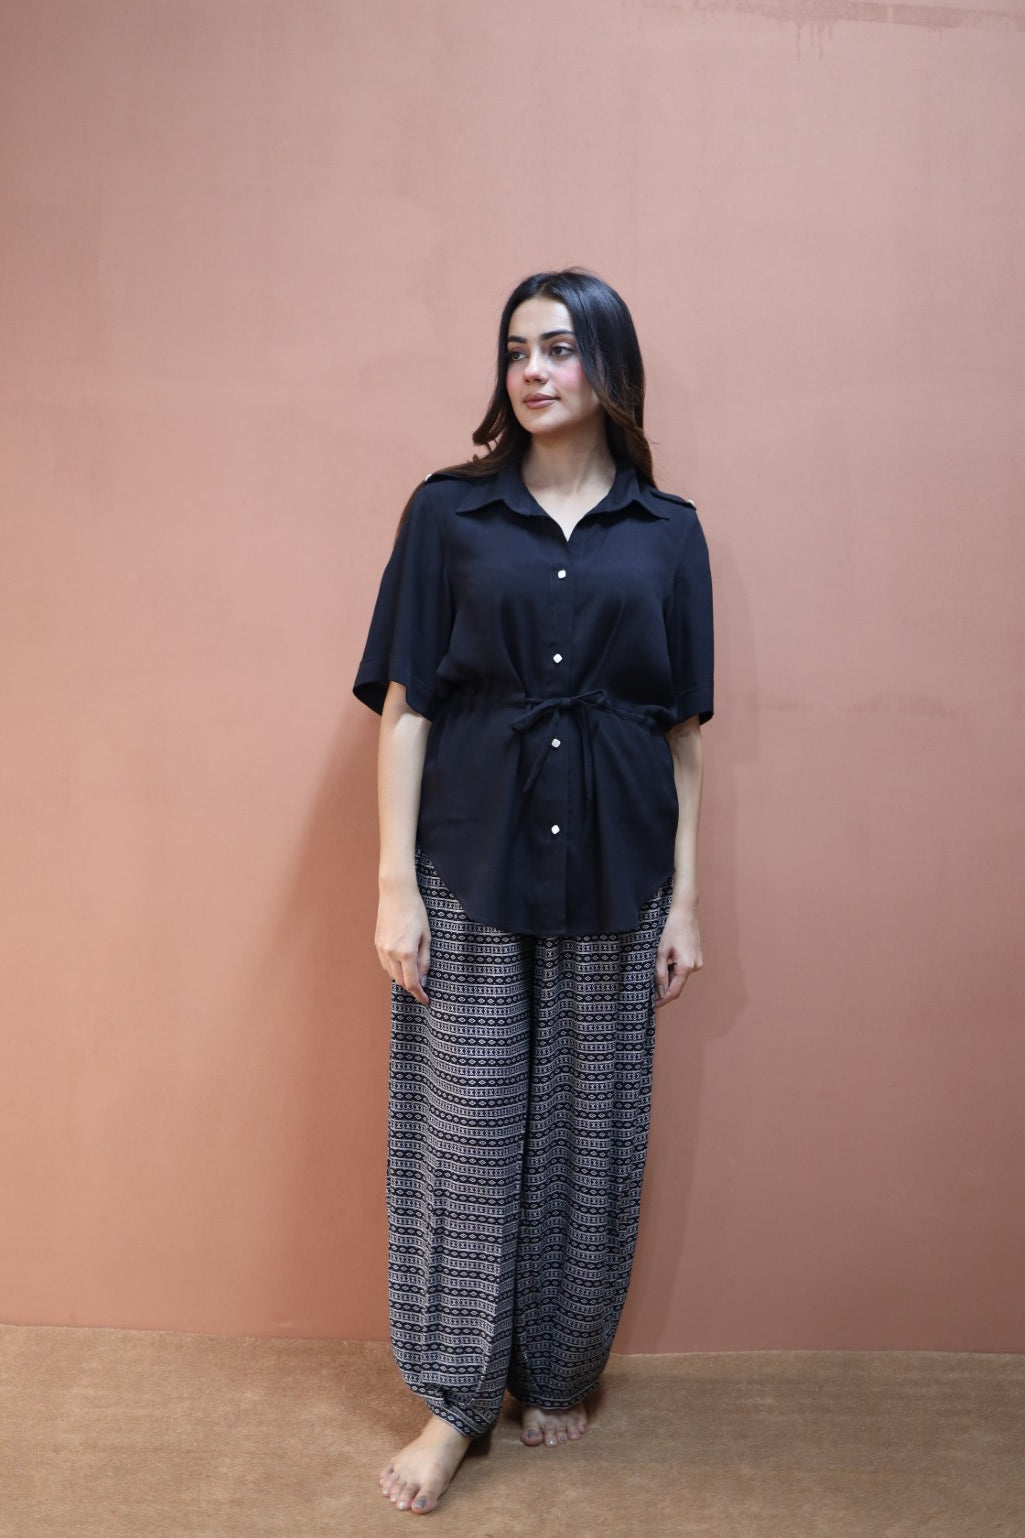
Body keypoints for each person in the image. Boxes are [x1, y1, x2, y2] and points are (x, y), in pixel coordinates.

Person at [353, 268, 714, 1515]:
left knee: (587, 1131)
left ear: (607, 366)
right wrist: (393, 885)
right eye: (516, 350)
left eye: (559, 348)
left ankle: (556, 1368)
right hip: (468, 858)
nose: (533, 371)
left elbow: (681, 735)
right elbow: (405, 706)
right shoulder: (445, 513)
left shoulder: (669, 533)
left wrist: (684, 900)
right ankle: (453, 1401)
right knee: (464, 1133)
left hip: (617, 866)